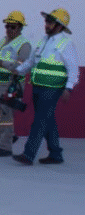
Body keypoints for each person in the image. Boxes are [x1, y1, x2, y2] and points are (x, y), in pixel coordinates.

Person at [13, 9, 79, 166]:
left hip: (53, 88)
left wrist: (68, 88)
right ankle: (56, 154)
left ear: (60, 26)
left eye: (50, 22)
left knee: (40, 120)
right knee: (48, 120)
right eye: (46, 21)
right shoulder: (43, 41)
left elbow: (73, 69)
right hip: (38, 86)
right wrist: (18, 71)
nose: (46, 24)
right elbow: (31, 61)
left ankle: (28, 155)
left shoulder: (66, 44)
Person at [0, 11, 32, 157]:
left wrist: (1, 63)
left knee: (6, 115)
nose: (9, 29)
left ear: (20, 28)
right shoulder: (2, 41)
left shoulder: (24, 45)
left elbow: (21, 66)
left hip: (12, 84)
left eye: (13, 26)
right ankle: (9, 137)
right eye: (7, 26)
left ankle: (5, 147)